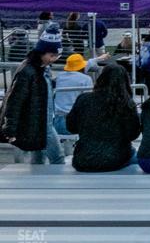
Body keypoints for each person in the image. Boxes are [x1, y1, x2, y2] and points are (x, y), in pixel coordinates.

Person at [1, 25, 65, 164]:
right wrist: (10, 129)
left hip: (40, 122)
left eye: (57, 55)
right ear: (42, 52)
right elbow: (15, 100)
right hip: (42, 124)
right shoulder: (28, 71)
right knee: (58, 158)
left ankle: (38, 183)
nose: (54, 59)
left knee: (38, 159)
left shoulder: (41, 69)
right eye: (52, 55)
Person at [66, 64, 140, 172]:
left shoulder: (84, 99)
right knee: (137, 158)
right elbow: (133, 134)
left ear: (101, 78)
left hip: (83, 159)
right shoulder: (127, 104)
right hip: (116, 159)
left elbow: (71, 127)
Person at [52, 53, 93, 135]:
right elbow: (88, 102)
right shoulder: (86, 79)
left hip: (57, 121)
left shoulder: (60, 77)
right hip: (76, 122)